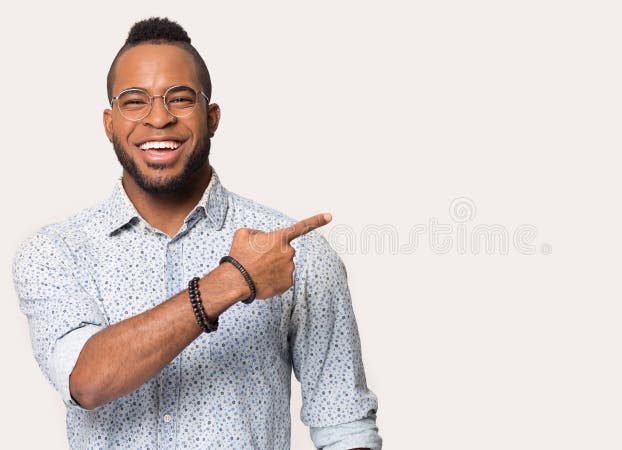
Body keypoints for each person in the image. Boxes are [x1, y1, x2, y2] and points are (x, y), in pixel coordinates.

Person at [12, 17, 381, 450]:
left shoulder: (295, 253)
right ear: (110, 123)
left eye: (180, 99)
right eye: (135, 101)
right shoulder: (57, 252)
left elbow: (345, 427)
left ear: (212, 117)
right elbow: (86, 382)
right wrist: (231, 281)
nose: (159, 119)